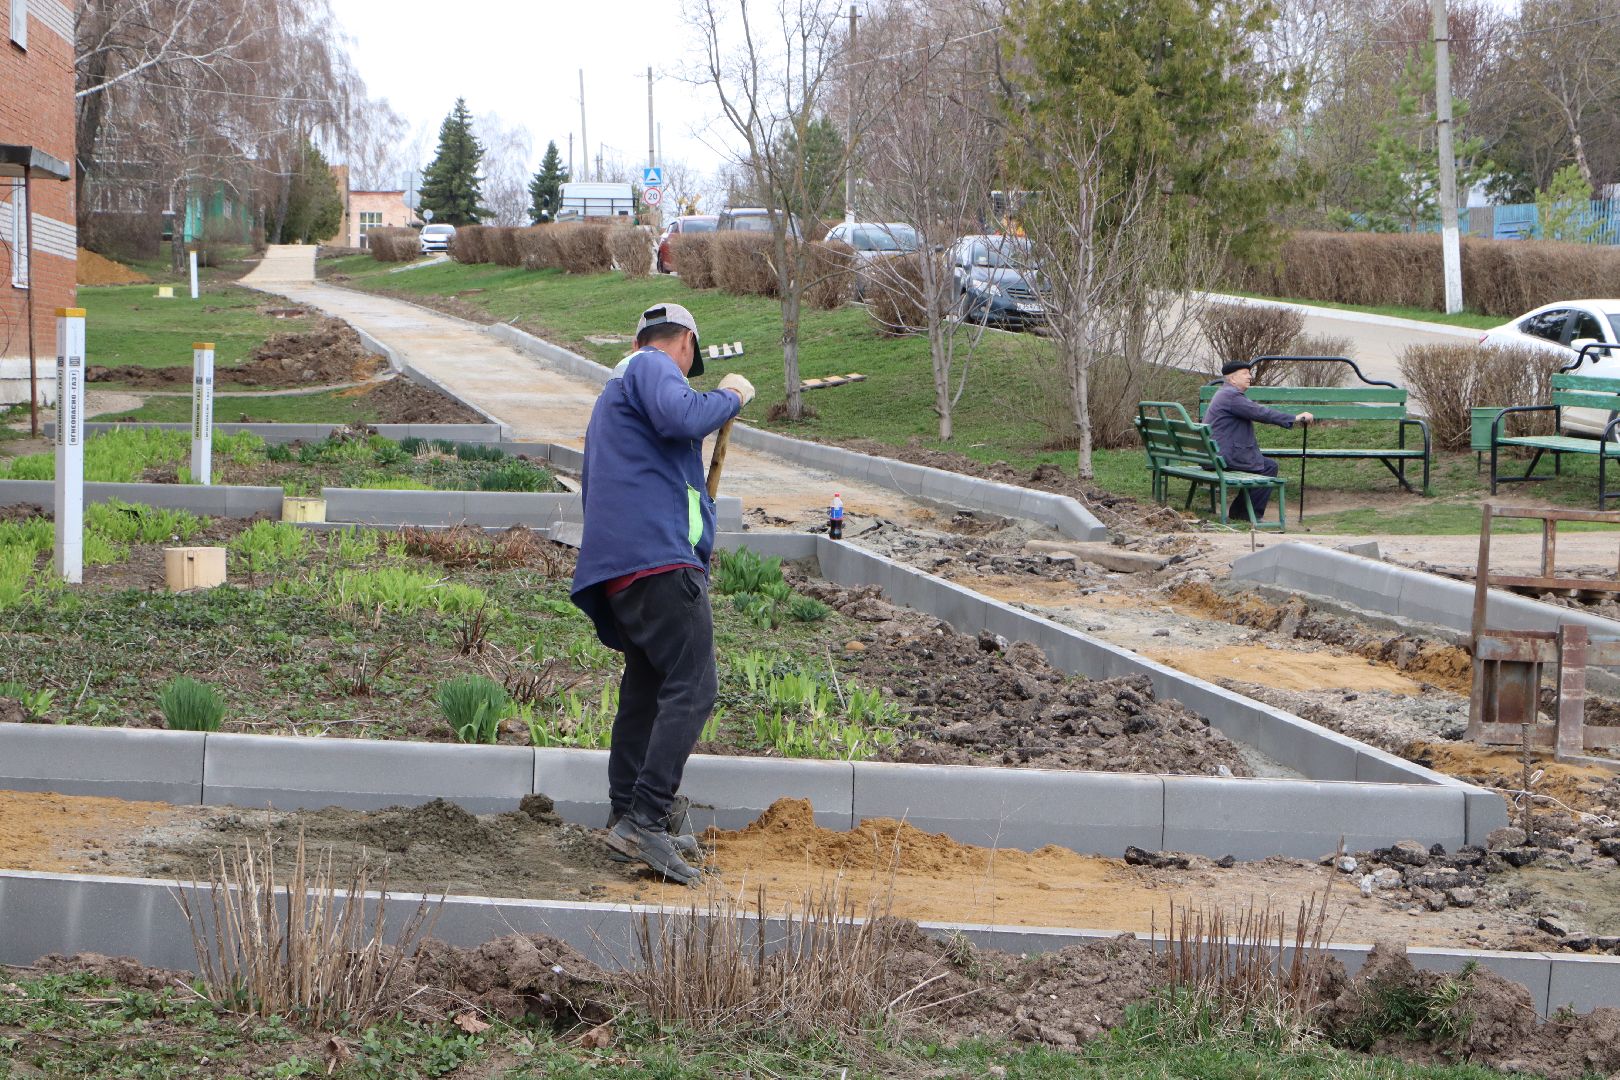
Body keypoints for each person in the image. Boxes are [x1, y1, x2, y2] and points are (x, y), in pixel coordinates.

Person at [570, 303, 755, 885]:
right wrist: (731, 397)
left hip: (625, 569)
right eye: (689, 358)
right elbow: (682, 417)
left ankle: (625, 808)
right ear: (684, 344)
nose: (684, 368)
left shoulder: (615, 398)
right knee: (695, 687)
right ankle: (646, 817)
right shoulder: (650, 366)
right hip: (655, 562)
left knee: (648, 688)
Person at [1204, 359, 1312, 523]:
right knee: (1267, 467)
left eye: (1249, 373)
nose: (1250, 377)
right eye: (1245, 374)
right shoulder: (1232, 397)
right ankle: (1248, 515)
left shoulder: (1225, 393)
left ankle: (1240, 512)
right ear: (1232, 379)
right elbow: (1261, 413)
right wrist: (1294, 418)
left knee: (1265, 465)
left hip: (1215, 453)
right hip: (1223, 456)